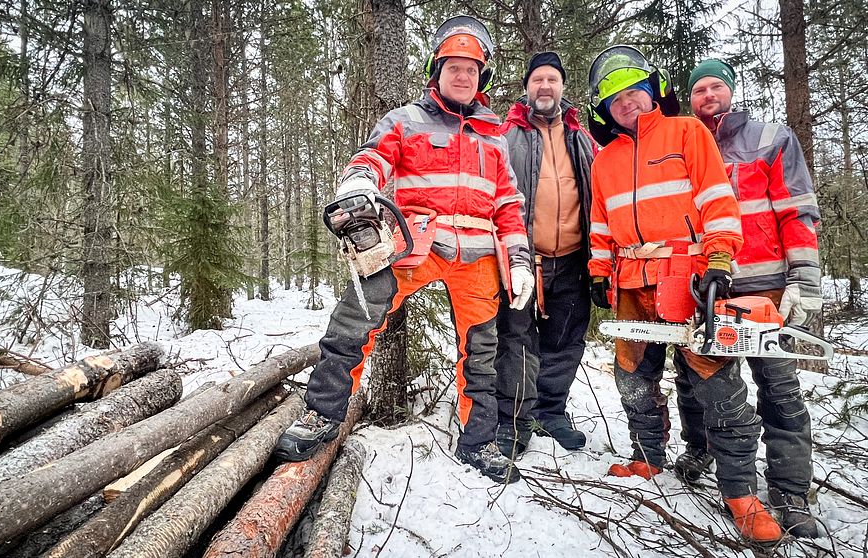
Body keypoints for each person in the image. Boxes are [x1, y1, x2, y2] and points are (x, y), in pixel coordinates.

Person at [274, 15, 535, 485]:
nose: (462, 75)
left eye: (472, 69)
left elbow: (509, 205)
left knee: (481, 350)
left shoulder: (494, 137)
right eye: (454, 66)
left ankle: (479, 440)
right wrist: (358, 182)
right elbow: (373, 157)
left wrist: (518, 258)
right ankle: (322, 414)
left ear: (483, 78)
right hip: (415, 242)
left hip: (477, 254)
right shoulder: (405, 119)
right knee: (354, 319)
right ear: (436, 70)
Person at [585, 45, 781, 543]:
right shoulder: (604, 159)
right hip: (631, 279)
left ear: (653, 93)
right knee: (632, 374)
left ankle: (741, 491)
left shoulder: (687, 132)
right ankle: (647, 457)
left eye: (634, 93)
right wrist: (598, 268)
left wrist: (718, 260)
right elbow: (601, 223)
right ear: (604, 110)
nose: (626, 104)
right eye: (616, 100)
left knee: (716, 379)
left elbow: (718, 199)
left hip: (687, 276)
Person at [679, 59, 822, 538]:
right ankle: (700, 449)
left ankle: (791, 489)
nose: (707, 96)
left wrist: (803, 277)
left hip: (766, 283)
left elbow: (798, 210)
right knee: (700, 378)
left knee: (778, 386)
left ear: (731, 91)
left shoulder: (770, 139)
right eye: (698, 89)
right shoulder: (683, 144)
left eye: (716, 85)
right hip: (708, 284)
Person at [494, 51, 596, 457]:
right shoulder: (505, 136)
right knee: (516, 339)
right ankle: (515, 418)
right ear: (527, 88)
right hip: (521, 258)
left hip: (573, 258)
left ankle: (551, 411)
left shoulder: (581, 138)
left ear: (562, 87)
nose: (545, 86)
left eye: (552, 79)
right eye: (538, 80)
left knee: (565, 340)